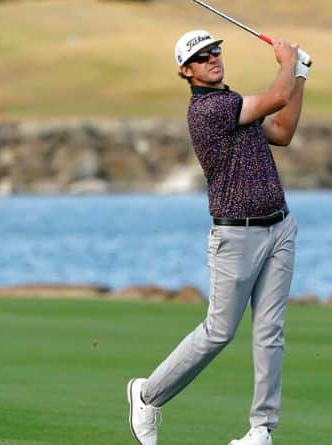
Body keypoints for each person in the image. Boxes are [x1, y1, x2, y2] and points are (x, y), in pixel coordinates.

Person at [127, 29, 309, 445]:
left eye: (215, 51)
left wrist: (299, 75)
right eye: (201, 56)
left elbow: (282, 131)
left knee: (270, 331)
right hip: (236, 236)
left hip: (279, 227)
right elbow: (275, 100)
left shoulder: (235, 105)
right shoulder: (209, 110)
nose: (212, 58)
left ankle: (261, 430)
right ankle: (147, 394)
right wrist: (286, 62)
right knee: (219, 331)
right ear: (186, 71)